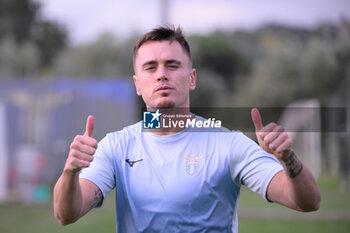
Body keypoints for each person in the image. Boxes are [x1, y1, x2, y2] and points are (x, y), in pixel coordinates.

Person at [53, 25, 321, 233]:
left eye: (172, 65)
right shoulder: (116, 146)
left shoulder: (228, 145)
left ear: (191, 78)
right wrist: (70, 171)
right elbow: (66, 214)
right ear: (137, 84)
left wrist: (288, 159)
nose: (161, 74)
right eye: (150, 67)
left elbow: (308, 202)